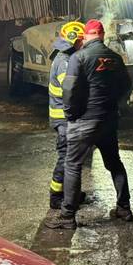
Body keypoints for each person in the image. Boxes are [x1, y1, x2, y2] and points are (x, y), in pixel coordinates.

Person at [47, 19, 133, 229]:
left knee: (73, 164)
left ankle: (67, 216)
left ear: (86, 37)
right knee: (114, 164)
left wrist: (71, 113)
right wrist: (114, 105)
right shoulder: (115, 58)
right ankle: (124, 208)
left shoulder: (79, 57)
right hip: (109, 120)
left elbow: (70, 89)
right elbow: (127, 85)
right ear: (103, 35)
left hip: (84, 120)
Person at [47, 21, 85, 209]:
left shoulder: (67, 57)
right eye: (81, 40)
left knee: (72, 157)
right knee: (66, 157)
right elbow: (71, 89)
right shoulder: (64, 62)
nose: (83, 44)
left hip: (65, 117)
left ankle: (71, 192)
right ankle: (56, 195)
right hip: (63, 119)